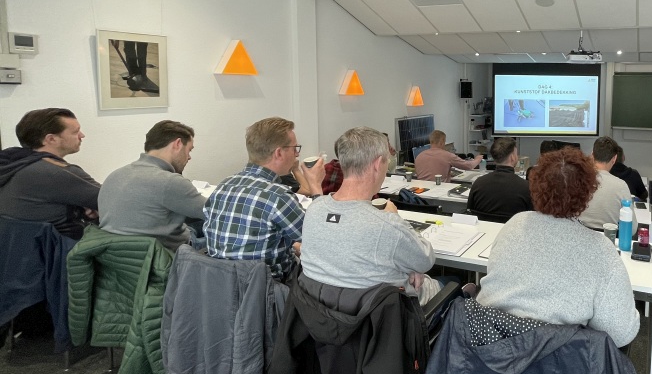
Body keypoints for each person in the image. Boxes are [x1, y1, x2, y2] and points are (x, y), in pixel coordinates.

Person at [476, 146, 640, 347]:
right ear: (588, 195)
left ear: (535, 186)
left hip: (489, 356)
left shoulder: (515, 224)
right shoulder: (601, 249)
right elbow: (620, 334)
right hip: (556, 370)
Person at [299, 126, 442, 305]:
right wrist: (395, 218)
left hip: (324, 319)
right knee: (448, 286)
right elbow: (426, 260)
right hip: (389, 319)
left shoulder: (314, 210)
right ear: (377, 164)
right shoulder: (387, 225)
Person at [204, 117, 325, 280]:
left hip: (221, 287)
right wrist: (316, 186)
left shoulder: (224, 185)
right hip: (270, 292)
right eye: (295, 148)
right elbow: (323, 239)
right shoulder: (277, 195)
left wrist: (290, 244)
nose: (297, 154)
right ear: (279, 153)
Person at [98, 120, 206, 251]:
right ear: (177, 144)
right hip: (167, 256)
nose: (189, 157)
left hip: (122, 258)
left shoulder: (114, 176)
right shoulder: (170, 181)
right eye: (189, 150)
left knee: (193, 225)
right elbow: (217, 214)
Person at [0, 108, 100, 238]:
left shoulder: (12, 164)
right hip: (61, 251)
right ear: (51, 139)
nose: (82, 135)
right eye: (75, 132)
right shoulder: (56, 172)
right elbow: (117, 201)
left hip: (19, 250)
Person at [578, 136, 638, 233]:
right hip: (609, 240)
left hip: (577, 238)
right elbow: (632, 229)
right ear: (614, 159)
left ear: (592, 155)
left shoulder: (577, 180)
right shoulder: (621, 185)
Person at [465, 137, 532, 220]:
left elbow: (470, 211)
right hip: (512, 231)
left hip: (485, 231)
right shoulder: (526, 187)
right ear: (513, 157)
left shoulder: (479, 183)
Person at [414, 129, 482, 181]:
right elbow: (469, 166)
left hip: (421, 193)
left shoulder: (419, 156)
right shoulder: (447, 156)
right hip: (440, 191)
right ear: (441, 142)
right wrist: (477, 159)